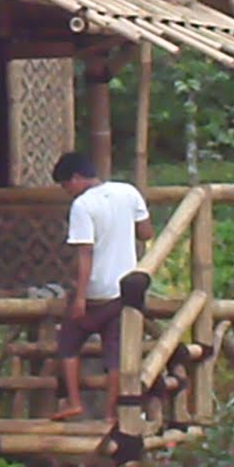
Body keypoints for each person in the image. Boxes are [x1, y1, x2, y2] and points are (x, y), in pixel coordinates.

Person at [50, 152, 152, 421]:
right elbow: (146, 232)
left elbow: (85, 255)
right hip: (125, 289)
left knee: (68, 343)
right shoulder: (128, 192)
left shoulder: (82, 206)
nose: (67, 192)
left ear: (76, 178)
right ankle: (111, 413)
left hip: (97, 290)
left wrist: (80, 298)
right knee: (115, 354)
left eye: (65, 185)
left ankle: (73, 402)